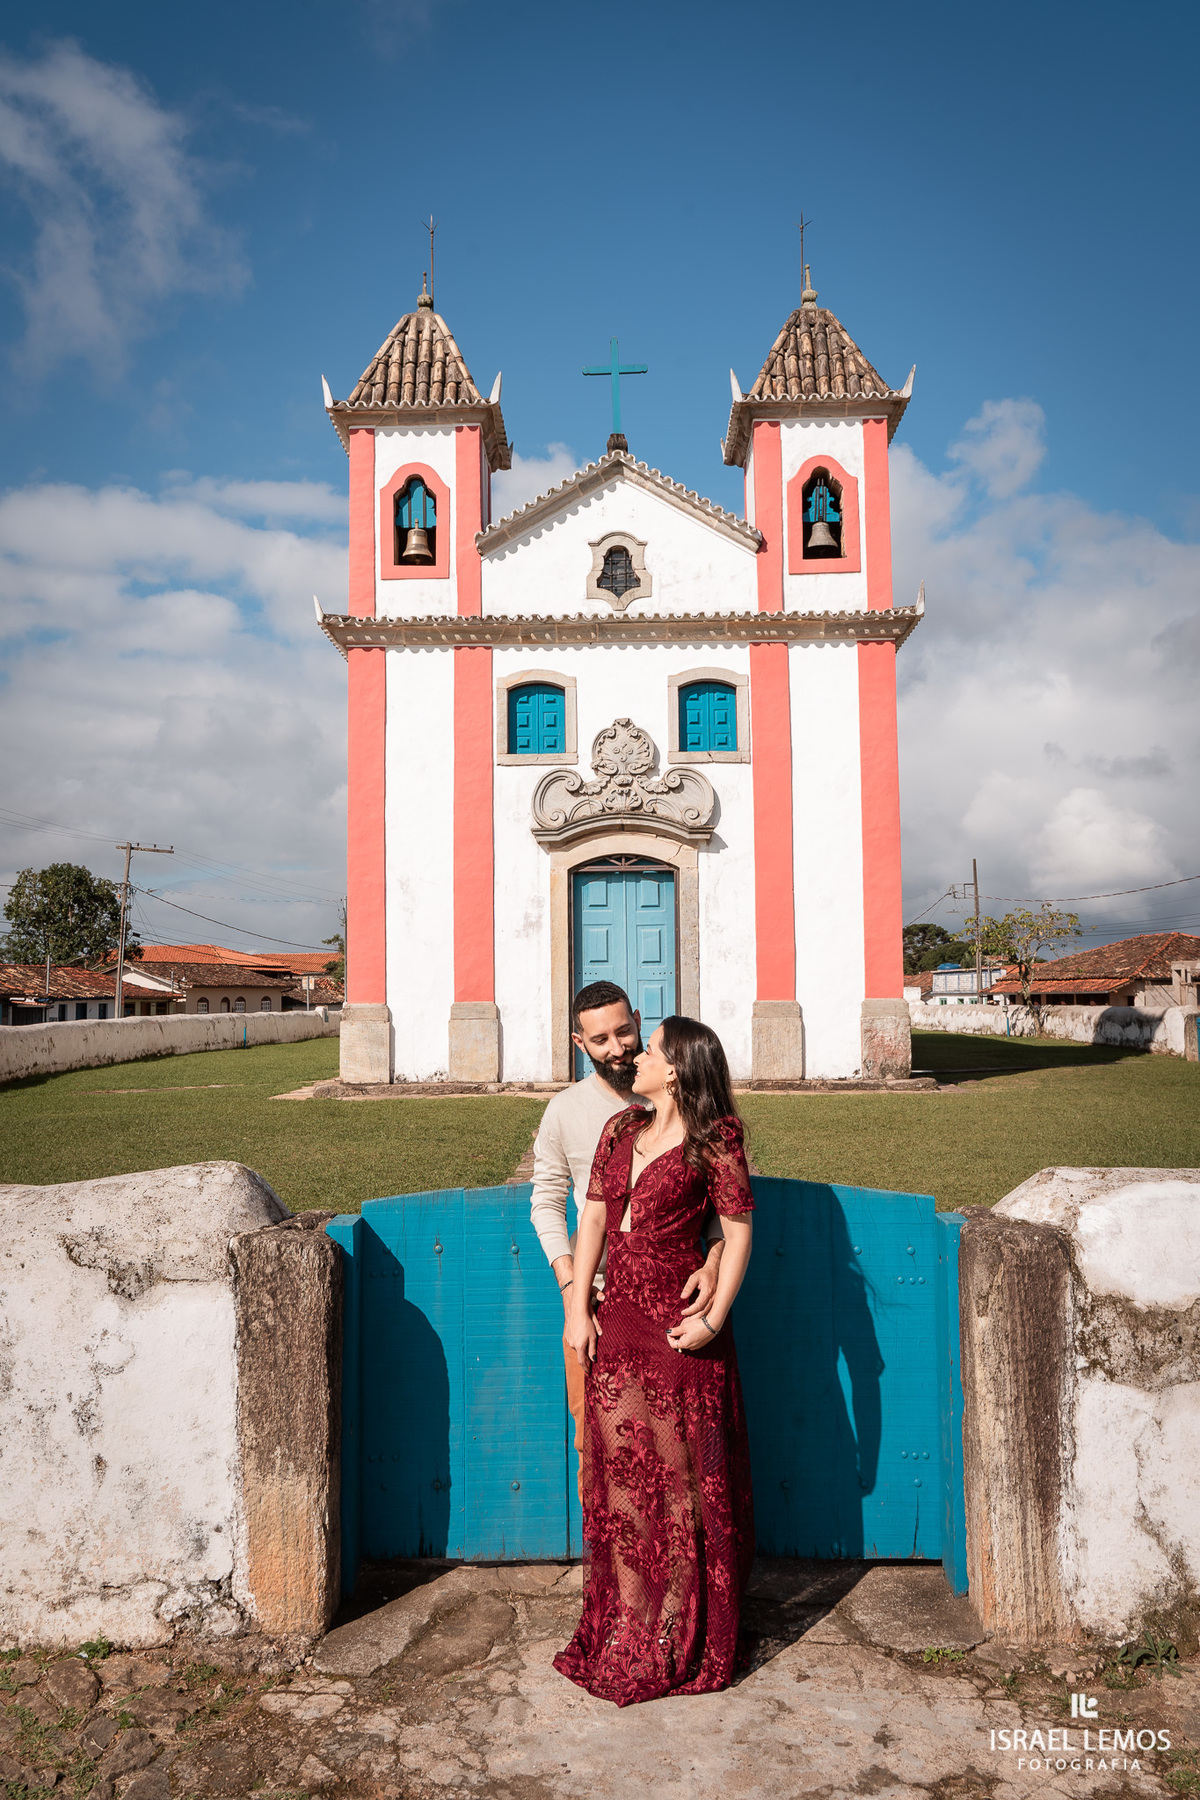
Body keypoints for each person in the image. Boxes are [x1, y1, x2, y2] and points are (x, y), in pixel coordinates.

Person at [553, 1015, 755, 1706]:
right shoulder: (620, 1129)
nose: (634, 1055)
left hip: (678, 1327)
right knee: (621, 1482)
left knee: (678, 1485)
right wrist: (579, 1310)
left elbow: (738, 1230)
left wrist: (713, 1316)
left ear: (675, 1068)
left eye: (650, 1048)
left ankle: (680, 1631)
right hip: (619, 1324)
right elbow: (593, 1221)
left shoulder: (716, 1139)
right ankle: (629, 1623)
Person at [530, 982, 724, 1475]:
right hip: (593, 1303)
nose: (617, 1049)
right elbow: (548, 1203)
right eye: (600, 1041)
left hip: (670, 1302)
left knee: (679, 1449)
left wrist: (715, 1260)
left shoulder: (692, 1105)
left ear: (638, 1019)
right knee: (596, 1446)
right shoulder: (565, 1112)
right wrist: (573, 1288)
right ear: (580, 1043)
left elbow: (725, 1204)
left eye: (625, 1032)